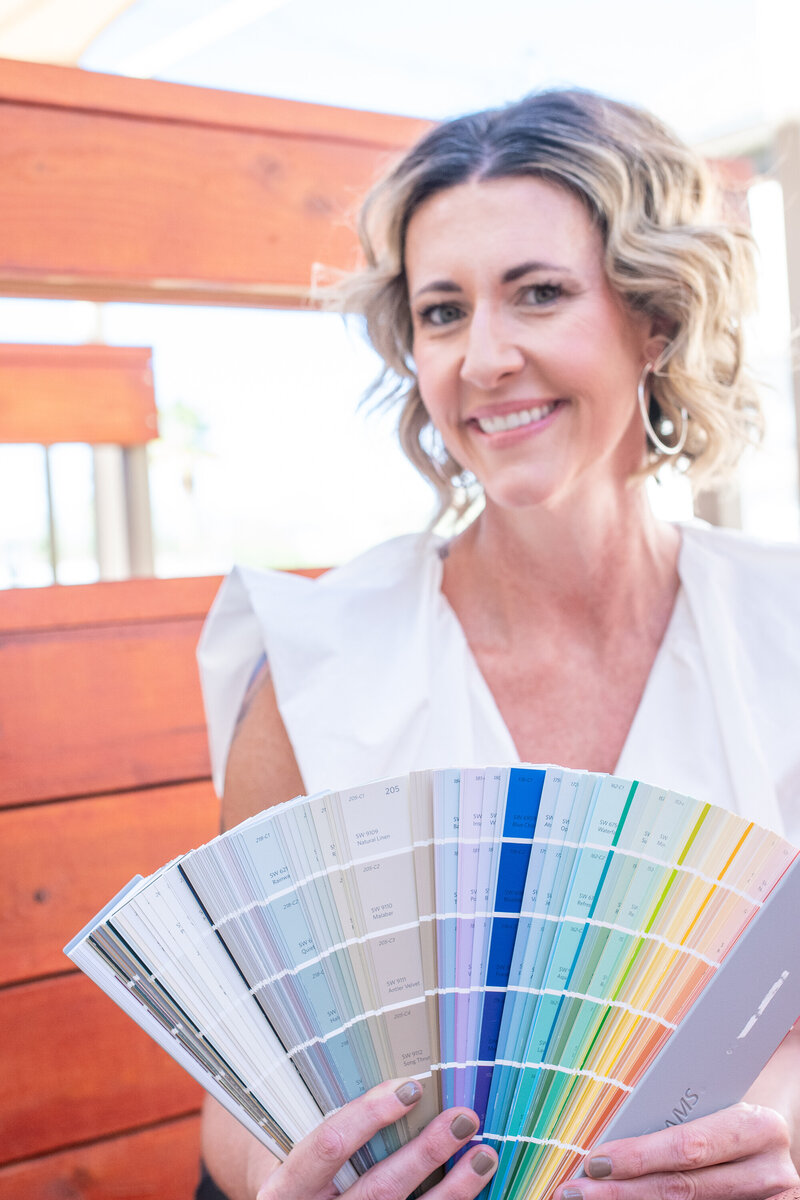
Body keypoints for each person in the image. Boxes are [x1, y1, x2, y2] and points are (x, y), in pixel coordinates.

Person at [196, 89, 800, 1200]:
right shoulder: (317, 667)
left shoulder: (784, 630)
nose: (482, 357)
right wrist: (297, 1189)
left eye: (537, 294)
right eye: (441, 312)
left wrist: (779, 1141)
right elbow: (240, 1102)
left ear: (653, 315)